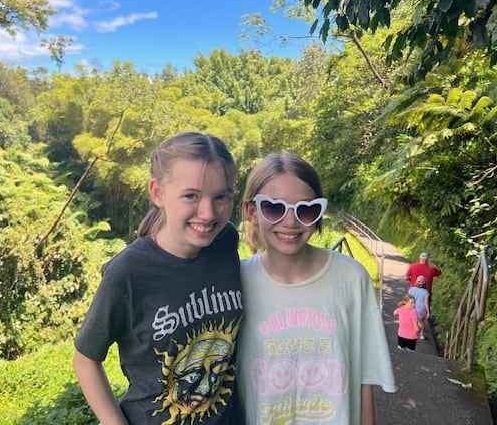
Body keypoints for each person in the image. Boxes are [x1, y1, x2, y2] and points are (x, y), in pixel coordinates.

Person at [73, 132, 243, 425]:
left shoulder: (225, 241)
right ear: (158, 193)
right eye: (191, 195)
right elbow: (85, 359)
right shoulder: (127, 273)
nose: (209, 212)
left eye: (221, 197)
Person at [237, 152, 396, 425]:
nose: (290, 221)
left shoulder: (351, 278)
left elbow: (363, 379)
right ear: (252, 211)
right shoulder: (235, 283)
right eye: (274, 207)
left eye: (305, 209)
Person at [408, 276, 431, 340]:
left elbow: (408, 299)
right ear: (424, 283)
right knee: (421, 321)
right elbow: (426, 303)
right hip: (422, 309)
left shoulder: (411, 290)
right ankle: (421, 335)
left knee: (413, 321)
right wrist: (428, 312)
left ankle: (413, 333)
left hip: (413, 307)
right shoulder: (426, 292)